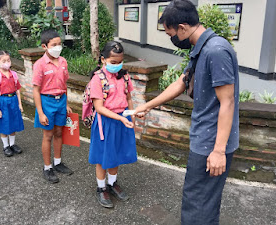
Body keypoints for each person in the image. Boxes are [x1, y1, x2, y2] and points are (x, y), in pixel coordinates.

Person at [134, 0, 239, 224]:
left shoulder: (216, 51)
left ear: (182, 27)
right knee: (199, 200)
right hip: (203, 138)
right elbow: (182, 82)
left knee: (199, 204)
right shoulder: (200, 48)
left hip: (211, 143)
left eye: (170, 32)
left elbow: (227, 102)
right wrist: (147, 105)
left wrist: (219, 151)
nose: (170, 38)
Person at [88, 41, 137, 208]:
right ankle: (101, 188)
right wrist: (121, 118)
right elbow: (99, 108)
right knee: (102, 158)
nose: (117, 65)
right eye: (113, 62)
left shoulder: (124, 76)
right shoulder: (98, 79)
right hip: (106, 122)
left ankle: (112, 183)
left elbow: (129, 97)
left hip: (122, 120)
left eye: (120, 62)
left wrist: (132, 117)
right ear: (103, 60)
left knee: (116, 153)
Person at [32, 29, 73, 183]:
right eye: (54, 45)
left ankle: (58, 162)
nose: (58, 47)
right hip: (47, 102)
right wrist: (40, 112)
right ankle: (47, 167)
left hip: (61, 101)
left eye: (59, 44)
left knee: (58, 132)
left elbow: (65, 84)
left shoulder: (63, 61)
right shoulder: (40, 65)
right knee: (48, 135)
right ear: (45, 46)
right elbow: (35, 90)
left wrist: (66, 103)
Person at [0, 50, 25, 157]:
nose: (7, 62)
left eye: (8, 60)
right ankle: (6, 146)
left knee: (13, 123)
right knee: (4, 124)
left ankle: (12, 144)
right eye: (4, 61)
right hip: (2, 102)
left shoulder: (13, 74)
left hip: (13, 100)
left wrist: (20, 104)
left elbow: (17, 90)